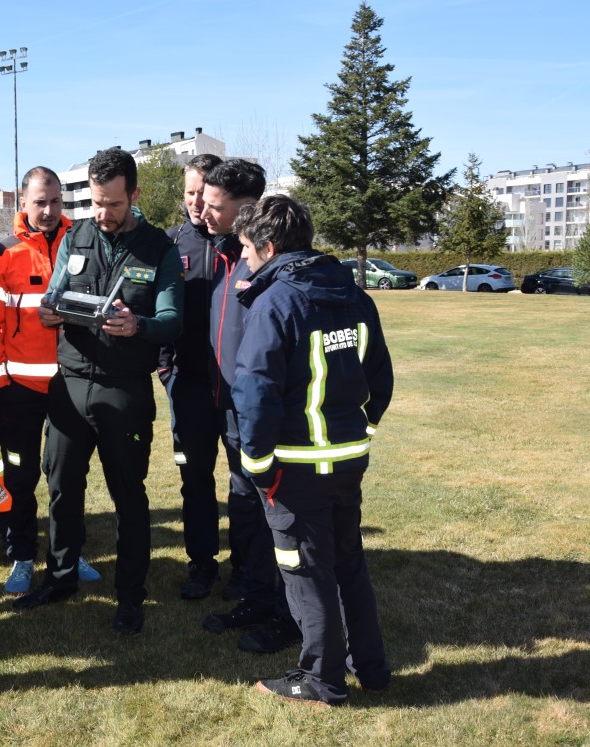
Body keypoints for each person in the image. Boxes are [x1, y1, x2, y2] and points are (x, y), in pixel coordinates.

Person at [14, 148, 183, 635]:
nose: (103, 214)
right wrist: (49, 312)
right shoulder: (77, 237)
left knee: (128, 496)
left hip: (123, 391)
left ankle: (130, 595)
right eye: (96, 202)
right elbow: (55, 294)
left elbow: (173, 320)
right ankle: (61, 577)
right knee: (63, 488)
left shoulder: (158, 247)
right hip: (69, 385)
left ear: (134, 194)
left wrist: (140, 324)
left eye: (112, 203)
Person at [232, 195, 392, 705]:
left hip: (296, 470)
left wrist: (258, 468)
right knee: (347, 563)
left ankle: (321, 679)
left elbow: (254, 391)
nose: (245, 262)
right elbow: (380, 378)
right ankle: (370, 667)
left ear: (269, 246)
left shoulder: (276, 303)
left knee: (305, 572)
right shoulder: (354, 295)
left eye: (248, 252)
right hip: (346, 461)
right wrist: (359, 429)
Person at [0, 166, 102, 594]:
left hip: (72, 385)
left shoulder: (83, 243)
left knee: (69, 476)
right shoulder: (0, 253)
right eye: (39, 202)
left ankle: (70, 551)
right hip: (18, 392)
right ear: (22, 204)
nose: (48, 210)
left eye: (55, 202)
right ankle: (21, 556)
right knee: (19, 478)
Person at [201, 159, 301, 655]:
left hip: (261, 413)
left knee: (273, 514)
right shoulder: (226, 255)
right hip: (231, 408)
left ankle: (287, 613)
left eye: (216, 206)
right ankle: (256, 595)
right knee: (244, 509)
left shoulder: (265, 265)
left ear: (247, 210)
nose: (204, 211)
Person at [158, 154, 226, 600]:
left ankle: (251, 565)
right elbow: (156, 306)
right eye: (189, 192)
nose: (196, 202)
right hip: (190, 385)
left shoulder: (245, 243)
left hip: (240, 388)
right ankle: (202, 563)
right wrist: (166, 370)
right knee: (195, 479)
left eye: (204, 192)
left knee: (247, 480)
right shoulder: (169, 244)